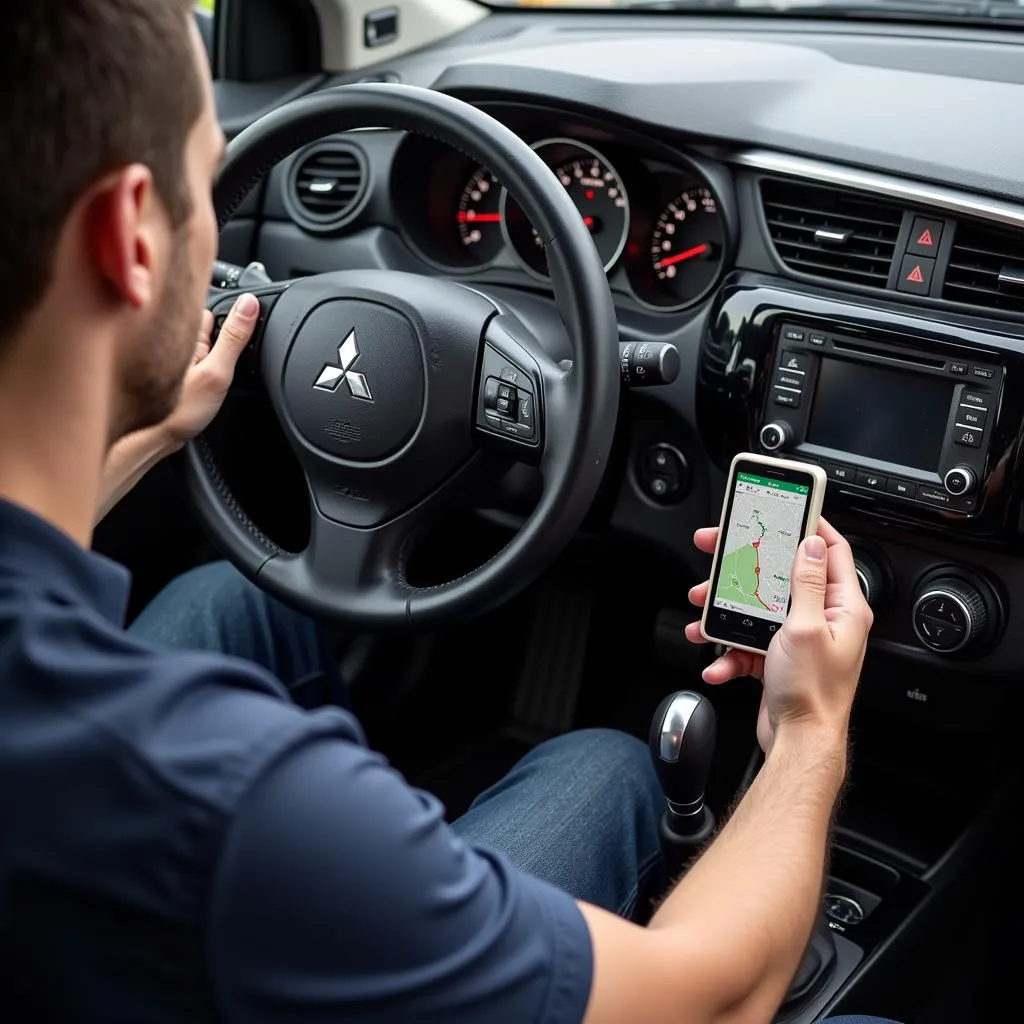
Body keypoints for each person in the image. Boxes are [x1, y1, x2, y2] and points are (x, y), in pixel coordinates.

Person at [0, 2, 896, 1022]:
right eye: (205, 179)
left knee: (232, 597)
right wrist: (807, 726)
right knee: (607, 762)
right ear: (130, 240)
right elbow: (714, 997)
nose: (215, 222)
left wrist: (149, 434)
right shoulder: (225, 796)